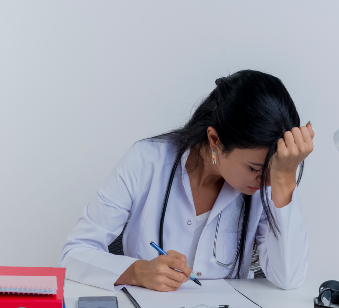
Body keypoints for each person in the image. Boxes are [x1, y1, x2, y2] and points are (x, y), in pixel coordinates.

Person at [59, 69, 314, 292]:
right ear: (215, 139)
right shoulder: (146, 161)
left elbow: (288, 278)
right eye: (254, 168)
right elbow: (74, 254)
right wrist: (136, 271)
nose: (265, 182)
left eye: (273, 171)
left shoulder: (275, 180)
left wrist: (286, 177)